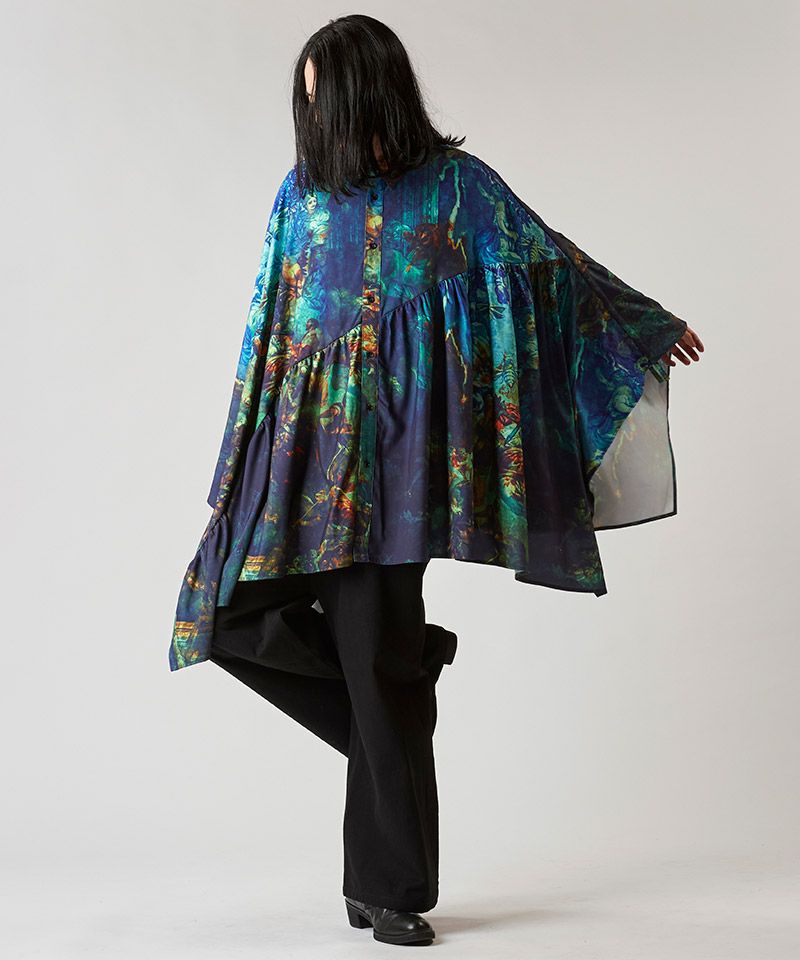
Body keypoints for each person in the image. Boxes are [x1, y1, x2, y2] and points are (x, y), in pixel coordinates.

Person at [169, 13, 704, 947]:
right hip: (307, 464)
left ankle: (389, 888)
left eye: (320, 96)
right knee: (224, 616)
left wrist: (644, 323)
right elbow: (266, 334)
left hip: (401, 478)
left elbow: (550, 265)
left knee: (376, 658)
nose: (309, 116)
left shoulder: (460, 190)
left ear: (362, 94)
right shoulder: (300, 199)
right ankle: (403, 695)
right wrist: (235, 466)